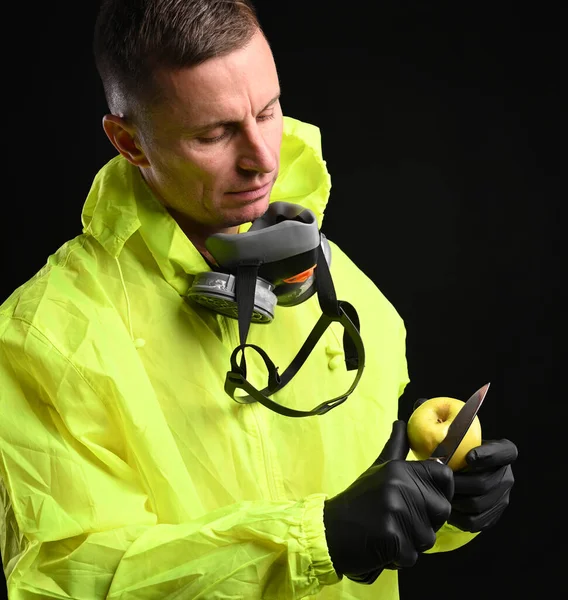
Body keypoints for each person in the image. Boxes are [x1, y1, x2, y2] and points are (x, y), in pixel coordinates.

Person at [0, 1, 518, 598]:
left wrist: (441, 497)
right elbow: (68, 579)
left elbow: (371, 514)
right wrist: (316, 538)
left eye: (268, 111)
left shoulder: (337, 282)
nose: (263, 159)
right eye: (213, 133)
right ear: (129, 141)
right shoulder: (44, 337)